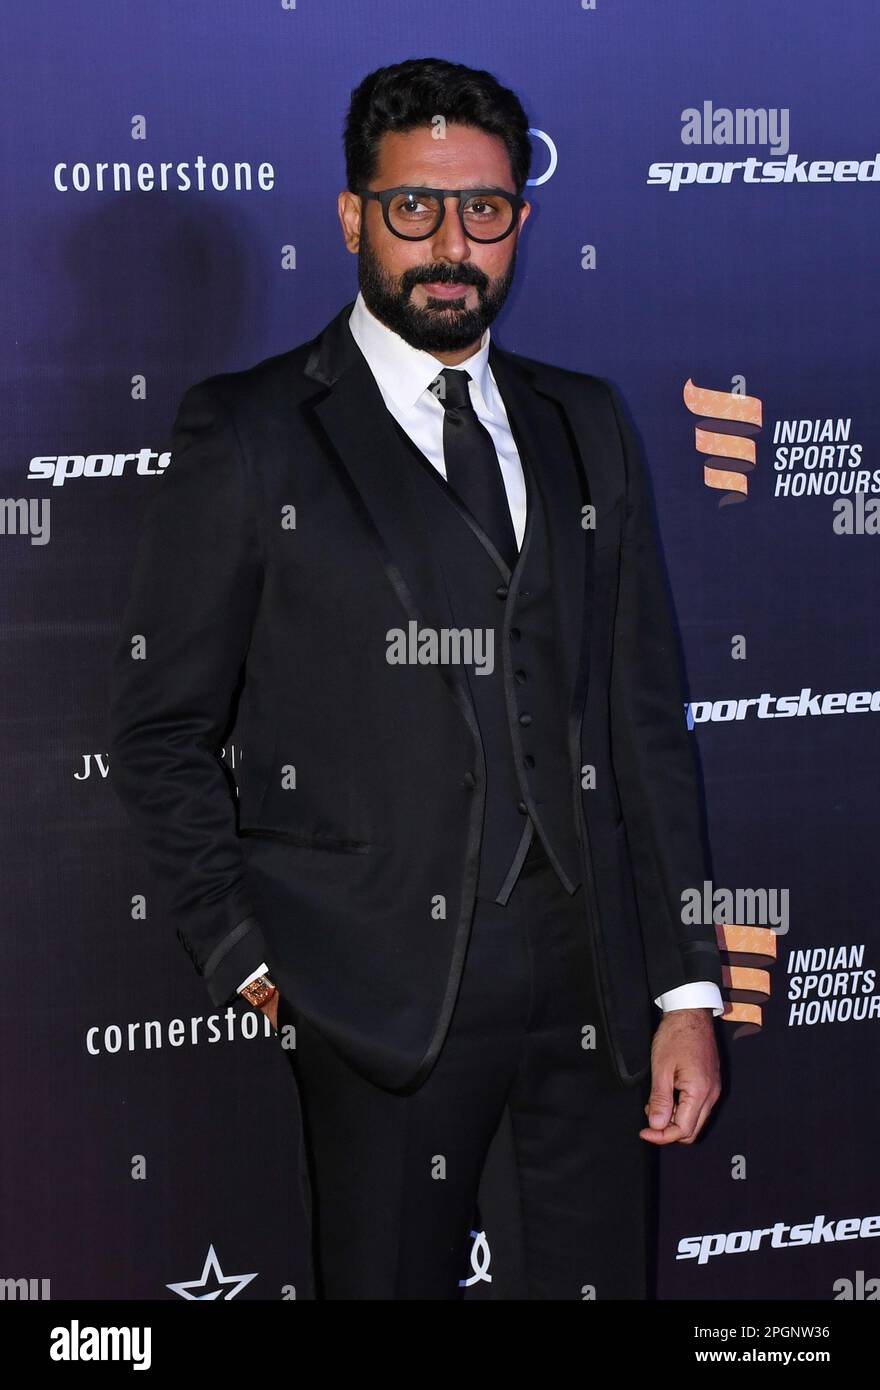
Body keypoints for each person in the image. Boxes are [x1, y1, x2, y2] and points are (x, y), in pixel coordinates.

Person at [108, 56, 724, 1300]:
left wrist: (687, 985)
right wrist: (242, 950)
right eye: (414, 208)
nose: (450, 243)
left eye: (482, 210)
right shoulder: (251, 429)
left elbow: (641, 720)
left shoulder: (584, 421)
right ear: (352, 217)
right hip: (374, 995)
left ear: (520, 220)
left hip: (596, 987)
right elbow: (161, 723)